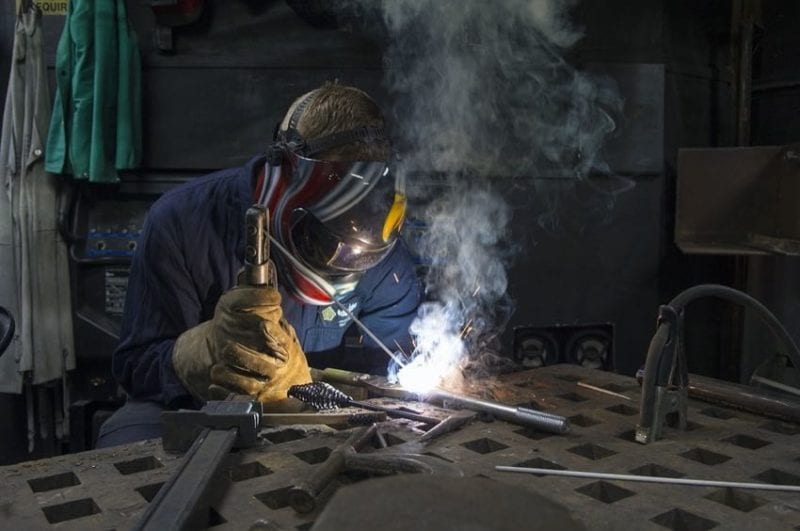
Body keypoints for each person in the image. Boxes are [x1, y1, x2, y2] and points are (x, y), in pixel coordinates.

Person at [97, 83, 423, 447]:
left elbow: (391, 373)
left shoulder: (384, 253)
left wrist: (310, 394)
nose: (346, 265)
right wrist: (199, 355)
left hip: (319, 416)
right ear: (286, 175)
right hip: (193, 409)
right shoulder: (180, 221)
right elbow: (134, 365)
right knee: (128, 437)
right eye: (328, 242)